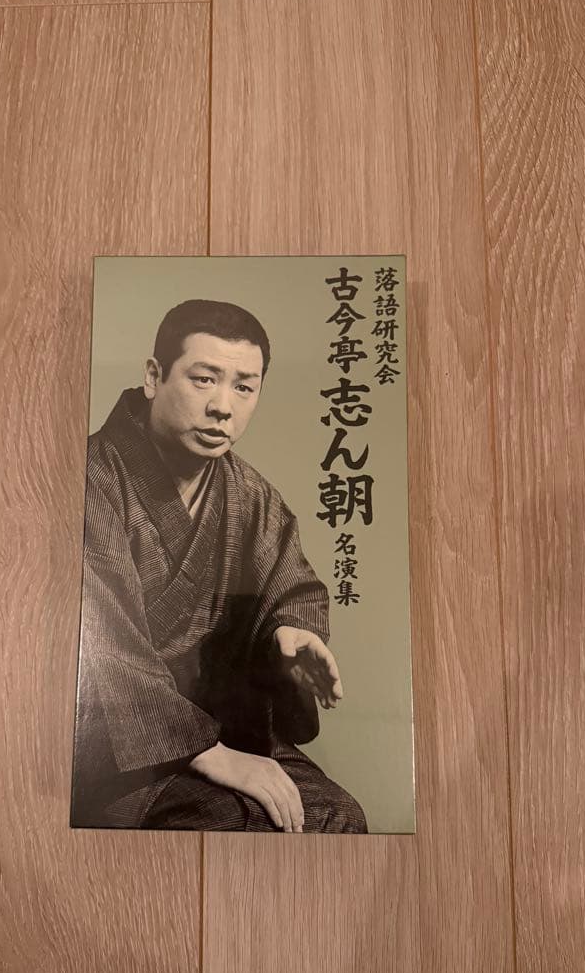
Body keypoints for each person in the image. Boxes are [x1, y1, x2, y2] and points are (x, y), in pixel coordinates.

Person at [71, 299, 367, 833]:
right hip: (121, 754)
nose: (223, 407)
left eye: (244, 387)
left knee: (337, 815)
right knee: (246, 823)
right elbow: (104, 649)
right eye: (204, 379)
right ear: (154, 376)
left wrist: (289, 631)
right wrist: (205, 751)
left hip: (226, 729)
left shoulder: (248, 493)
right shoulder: (90, 481)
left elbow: (290, 583)